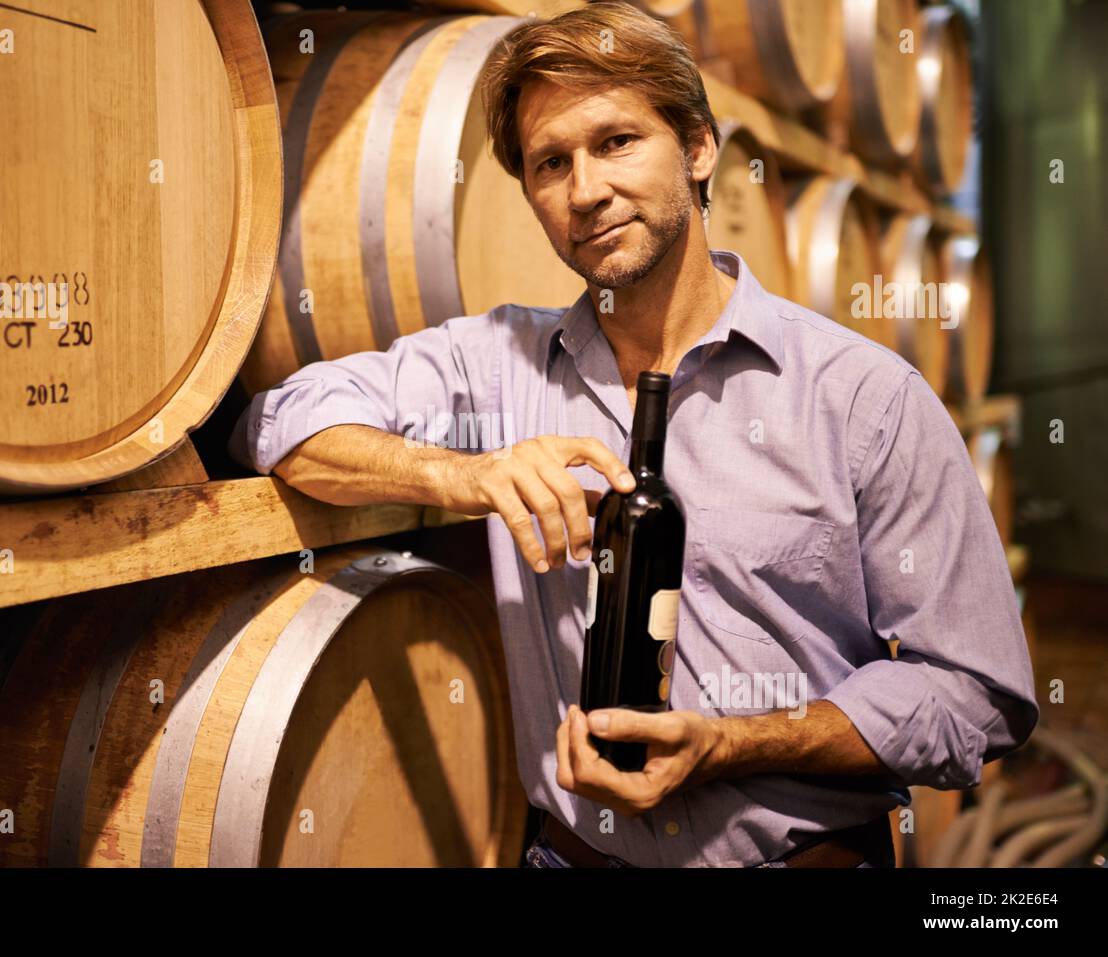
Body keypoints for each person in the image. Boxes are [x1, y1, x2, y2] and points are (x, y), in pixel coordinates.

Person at [229, 2, 1038, 867]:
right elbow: (277, 421)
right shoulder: (501, 364)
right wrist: (462, 473)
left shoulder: (863, 397)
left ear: (697, 147)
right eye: (550, 163)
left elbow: (975, 693)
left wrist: (734, 743)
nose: (585, 190)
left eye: (616, 142)